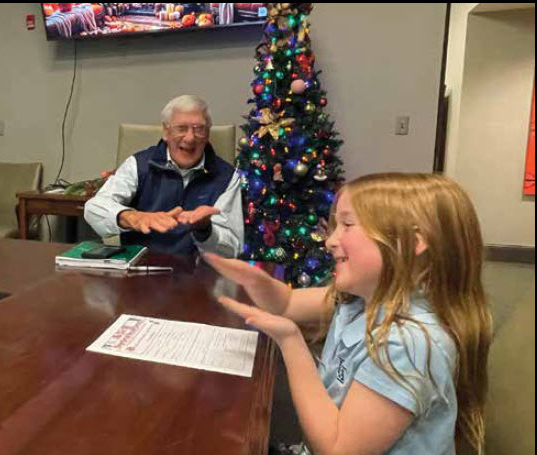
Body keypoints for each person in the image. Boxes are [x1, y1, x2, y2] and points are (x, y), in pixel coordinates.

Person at [205, 173, 493, 455]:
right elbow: (288, 303)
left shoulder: (408, 343)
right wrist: (260, 282)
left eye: (347, 225)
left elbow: (337, 448)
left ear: (414, 242)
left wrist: (291, 341)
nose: (330, 240)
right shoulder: (362, 298)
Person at [84, 95, 243, 258]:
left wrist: (205, 230)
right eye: (181, 128)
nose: (190, 138)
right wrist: (133, 217)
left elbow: (233, 248)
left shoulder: (227, 177)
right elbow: (94, 208)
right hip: (139, 272)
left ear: (208, 133)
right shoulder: (139, 165)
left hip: (199, 276)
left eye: (199, 129)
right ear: (166, 132)